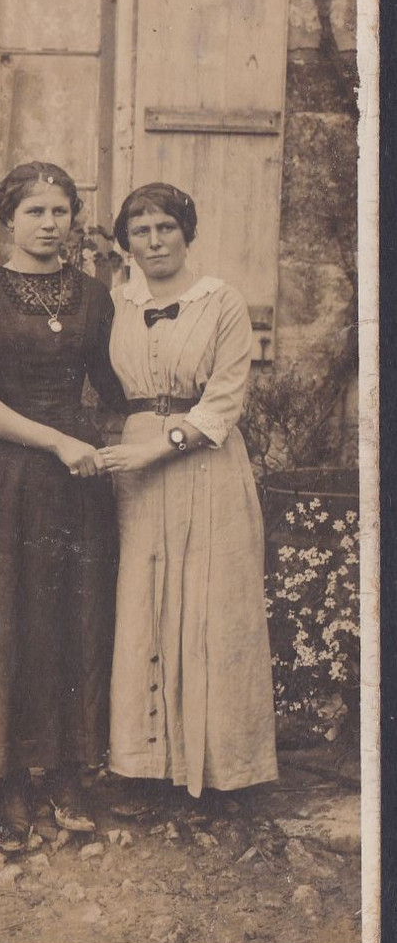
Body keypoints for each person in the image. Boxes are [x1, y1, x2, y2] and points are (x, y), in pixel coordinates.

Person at [0, 161, 126, 852]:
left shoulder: (93, 294)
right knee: (8, 618)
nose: (49, 224)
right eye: (35, 212)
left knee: (73, 617)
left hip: (78, 481)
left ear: (74, 218)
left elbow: (112, 386)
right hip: (9, 474)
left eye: (60, 211)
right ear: (8, 220)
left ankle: (67, 771)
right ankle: (8, 776)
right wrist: (55, 441)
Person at [99, 182, 278, 805]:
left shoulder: (221, 301)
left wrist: (160, 443)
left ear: (187, 233)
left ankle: (224, 771)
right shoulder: (117, 304)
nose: (154, 240)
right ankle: (144, 769)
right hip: (137, 471)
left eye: (166, 227)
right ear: (126, 243)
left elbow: (226, 397)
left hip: (205, 462)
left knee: (210, 605)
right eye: (141, 230)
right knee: (144, 602)